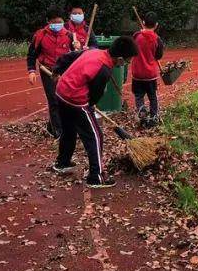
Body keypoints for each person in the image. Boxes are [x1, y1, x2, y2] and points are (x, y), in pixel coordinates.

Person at [53, 36, 138, 188]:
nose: (127, 63)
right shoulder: (104, 69)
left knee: (69, 130)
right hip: (75, 100)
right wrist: (89, 106)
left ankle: (62, 163)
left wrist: (57, 70)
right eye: (128, 61)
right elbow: (95, 95)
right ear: (119, 59)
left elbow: (69, 56)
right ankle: (96, 177)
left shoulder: (94, 52)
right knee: (95, 136)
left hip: (61, 92)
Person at [26, 9, 76, 138]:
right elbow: (32, 55)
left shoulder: (69, 36)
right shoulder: (40, 36)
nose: (58, 24)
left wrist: (79, 47)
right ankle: (58, 132)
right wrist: (31, 71)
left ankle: (51, 125)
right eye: (54, 22)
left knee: (64, 100)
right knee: (53, 100)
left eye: (60, 22)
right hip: (47, 71)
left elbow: (76, 55)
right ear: (48, 22)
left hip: (65, 71)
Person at [131, 12, 165, 127]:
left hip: (137, 74)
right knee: (152, 96)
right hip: (150, 74)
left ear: (143, 23)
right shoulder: (157, 40)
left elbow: (132, 50)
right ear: (156, 25)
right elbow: (158, 56)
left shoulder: (136, 36)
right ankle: (154, 116)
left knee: (138, 95)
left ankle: (141, 111)